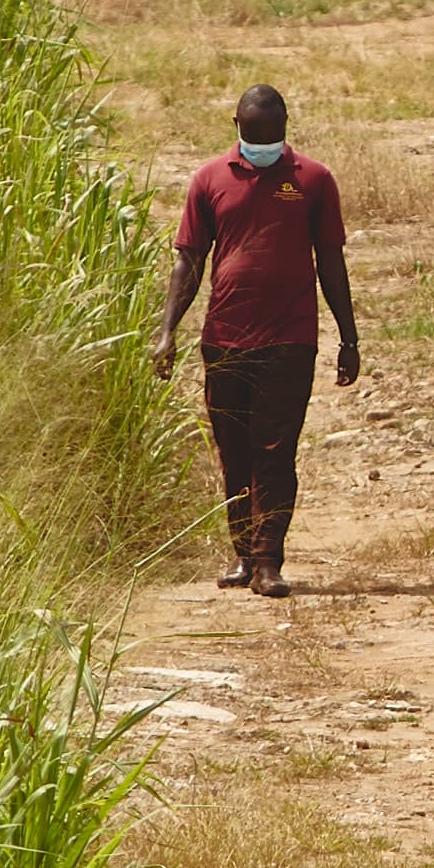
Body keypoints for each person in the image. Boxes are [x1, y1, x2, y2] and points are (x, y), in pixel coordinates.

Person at [155, 81, 358, 596]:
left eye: (272, 134)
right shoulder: (208, 180)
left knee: (275, 449)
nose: (262, 144)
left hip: (290, 338)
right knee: (234, 451)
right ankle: (242, 555)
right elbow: (189, 260)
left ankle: (269, 560)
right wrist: (167, 332)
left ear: (286, 128)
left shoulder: (312, 180)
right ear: (236, 127)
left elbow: (330, 260)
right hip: (224, 337)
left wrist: (348, 337)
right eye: (253, 134)